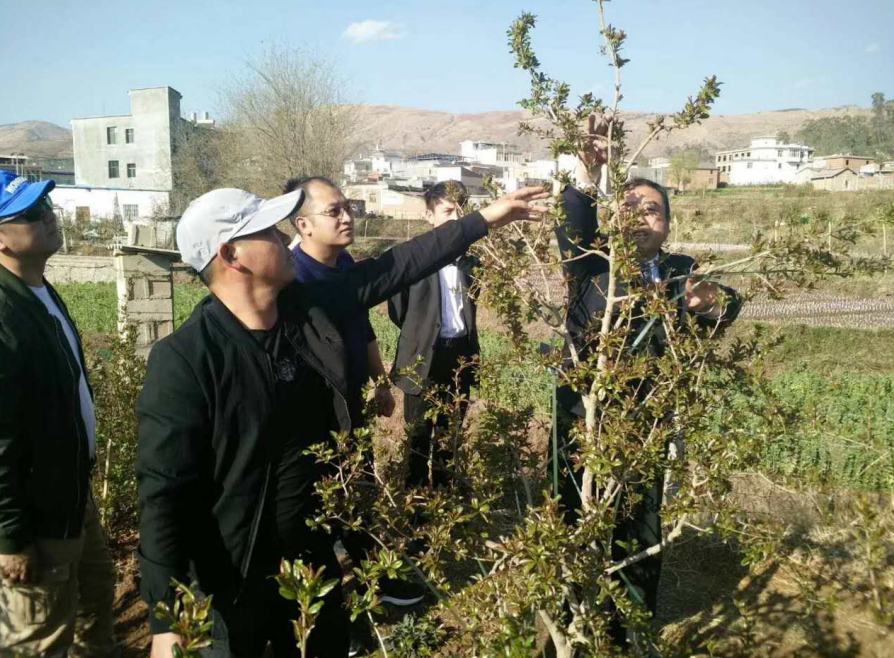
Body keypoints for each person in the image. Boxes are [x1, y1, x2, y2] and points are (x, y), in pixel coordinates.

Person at [137, 184, 548, 658]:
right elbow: (164, 492)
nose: (284, 237)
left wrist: (485, 219)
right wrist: (165, 618)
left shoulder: (306, 310)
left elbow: (397, 265)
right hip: (231, 581)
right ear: (231, 254)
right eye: (268, 231)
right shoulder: (186, 360)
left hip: (310, 566)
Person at [554, 116, 741, 648]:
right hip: (583, 413)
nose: (640, 215)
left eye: (652, 209)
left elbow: (728, 304)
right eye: (629, 207)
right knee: (574, 512)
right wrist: (589, 168)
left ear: (668, 224)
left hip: (647, 418)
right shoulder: (591, 261)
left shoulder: (681, 270)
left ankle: (627, 628)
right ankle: (570, 619)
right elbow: (571, 220)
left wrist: (713, 301)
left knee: (639, 522)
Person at [0, 170, 118, 656]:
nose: (48, 217)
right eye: (30, 214)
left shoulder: (39, 292)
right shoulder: (4, 314)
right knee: (38, 637)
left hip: (69, 493)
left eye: (46, 207)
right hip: (33, 513)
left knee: (95, 600)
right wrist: (9, 537)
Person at [388, 181, 480, 490]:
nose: (456, 218)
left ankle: (443, 497)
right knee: (418, 434)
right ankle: (414, 501)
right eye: (448, 211)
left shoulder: (472, 262)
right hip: (422, 355)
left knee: (449, 434)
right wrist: (422, 330)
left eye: (461, 211)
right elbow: (398, 310)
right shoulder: (411, 260)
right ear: (429, 216)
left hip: (460, 356)